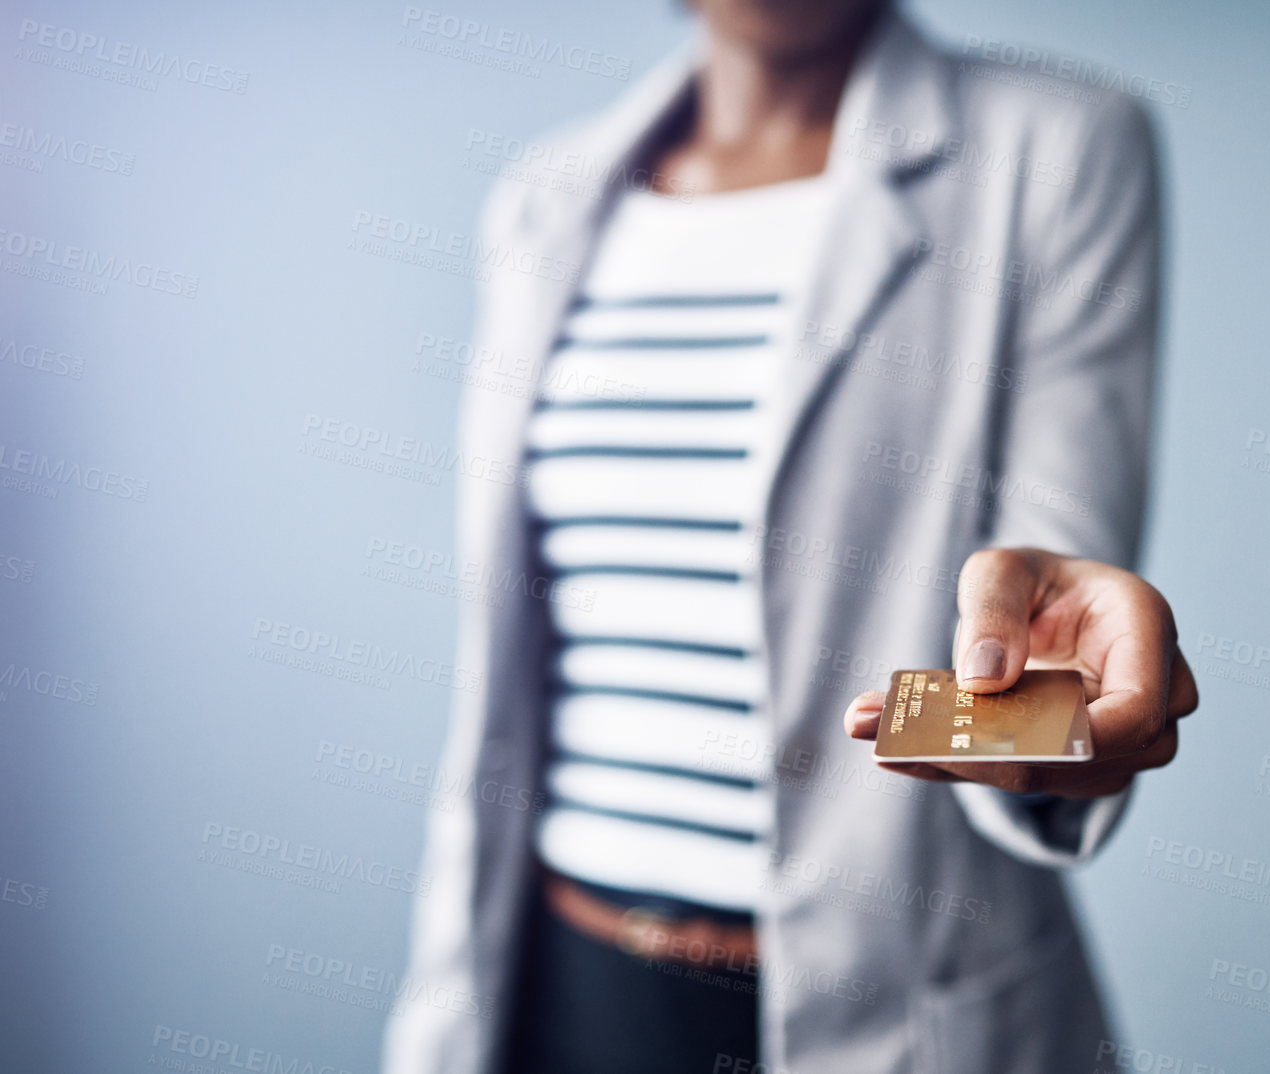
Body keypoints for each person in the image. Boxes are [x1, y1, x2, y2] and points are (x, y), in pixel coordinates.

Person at [382, 1, 1196, 1071]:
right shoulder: (546, 198)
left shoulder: (1060, 148)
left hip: (890, 1015)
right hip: (556, 987)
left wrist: (1047, 724)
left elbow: (1045, 637)